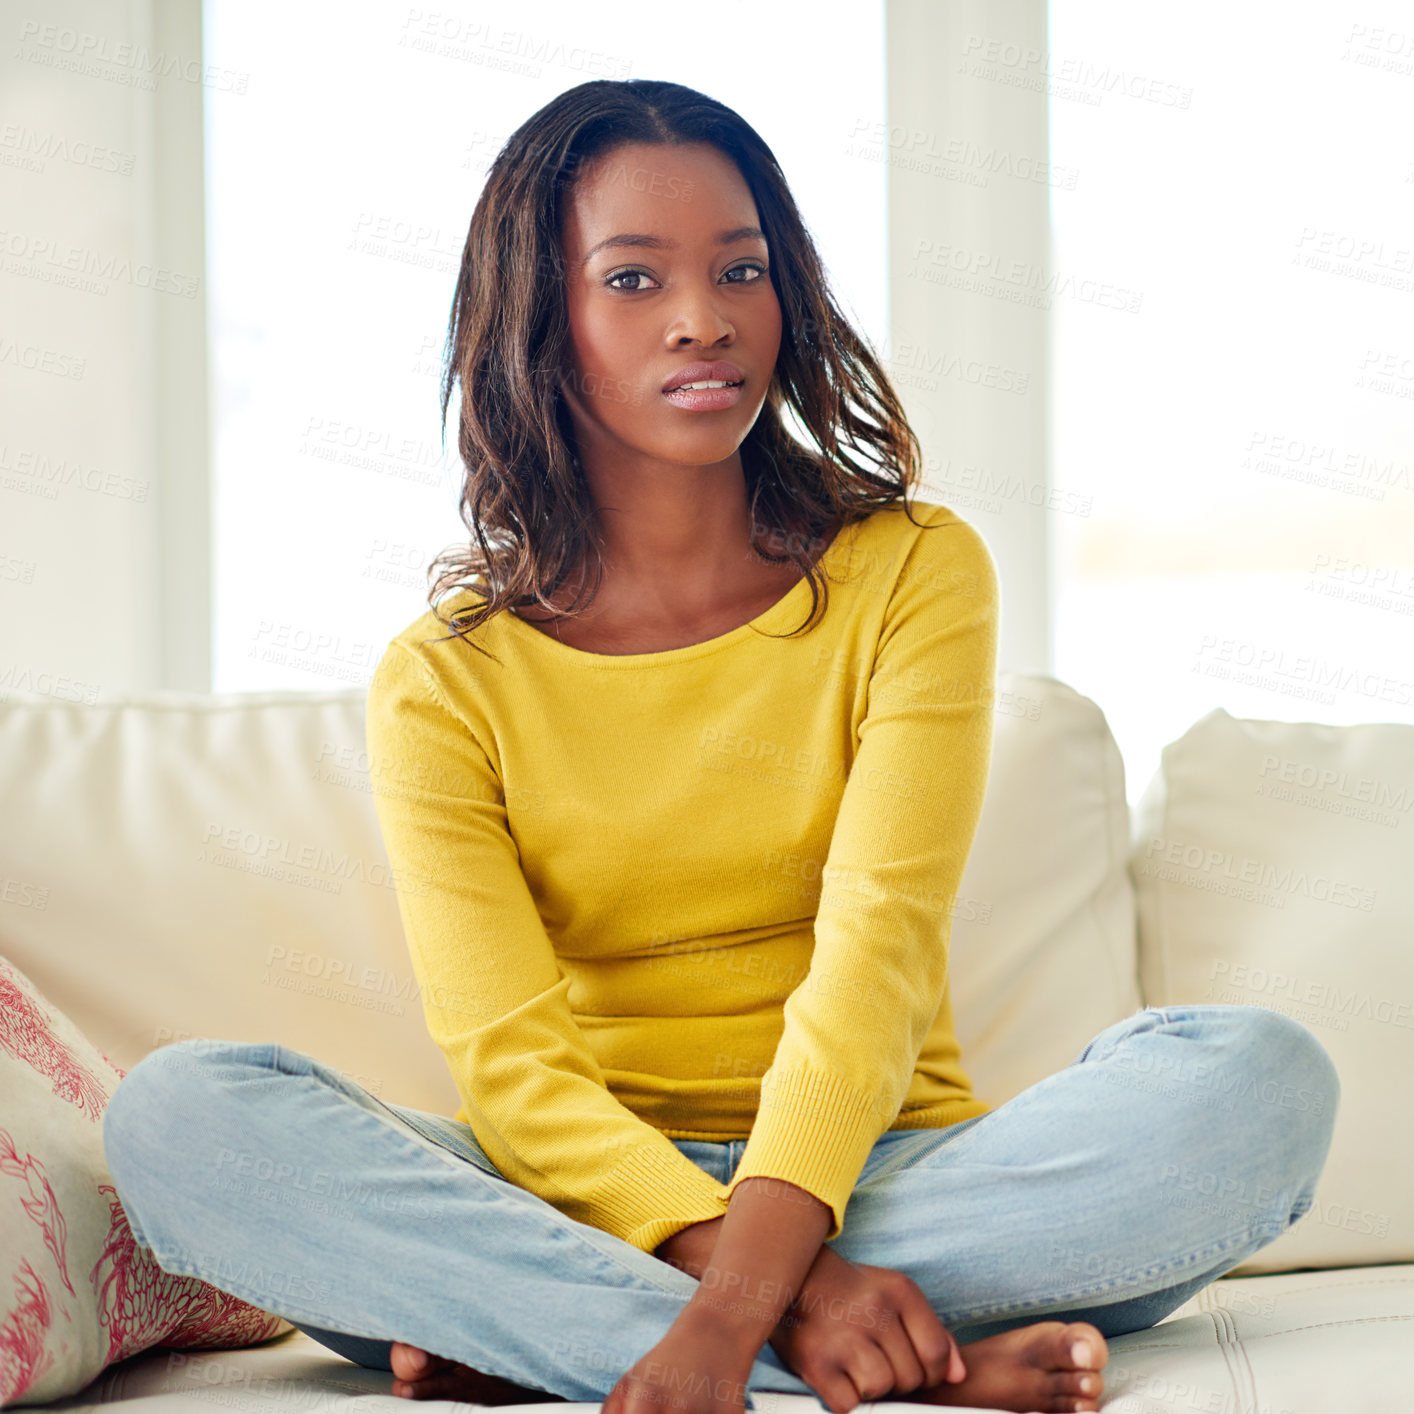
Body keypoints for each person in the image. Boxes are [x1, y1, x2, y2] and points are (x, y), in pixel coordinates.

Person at [101, 79, 1340, 1414]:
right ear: (541, 320)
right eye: (632, 278)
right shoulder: (446, 676)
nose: (703, 318)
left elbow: (875, 956)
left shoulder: (911, 573)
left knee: (1256, 1083)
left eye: (739, 269)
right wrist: (781, 1291)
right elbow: (512, 1065)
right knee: (179, 1120)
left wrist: (744, 1276)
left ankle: (545, 1328)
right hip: (579, 1187)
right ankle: (877, 1352)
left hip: (882, 1165)